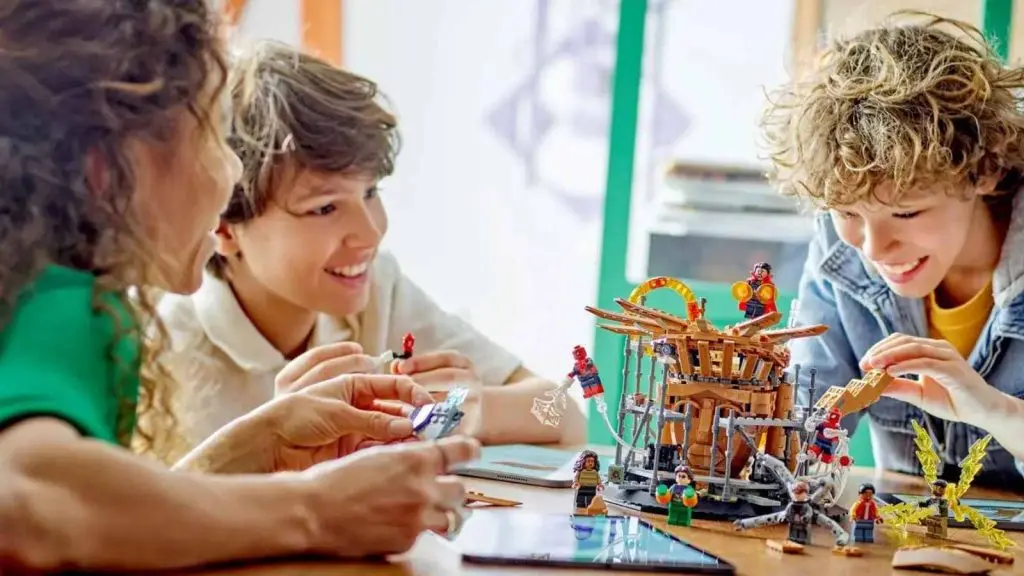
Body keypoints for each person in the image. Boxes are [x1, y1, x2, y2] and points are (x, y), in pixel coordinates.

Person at [0, 1, 478, 571]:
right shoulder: (58, 306)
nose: (231, 178)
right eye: (217, 138)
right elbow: (27, 504)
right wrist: (317, 508)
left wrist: (263, 441)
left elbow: (126, 525)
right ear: (111, 171)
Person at [157, 41, 585, 451]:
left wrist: (469, 411)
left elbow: (562, 413)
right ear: (225, 227)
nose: (370, 234)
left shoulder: (377, 291)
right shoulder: (164, 349)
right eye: (325, 208)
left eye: (370, 192)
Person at [763, 12, 1024, 486]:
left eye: (906, 214)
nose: (875, 248)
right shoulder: (836, 250)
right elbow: (798, 437)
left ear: (985, 169)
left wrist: (997, 411)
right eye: (847, 214)